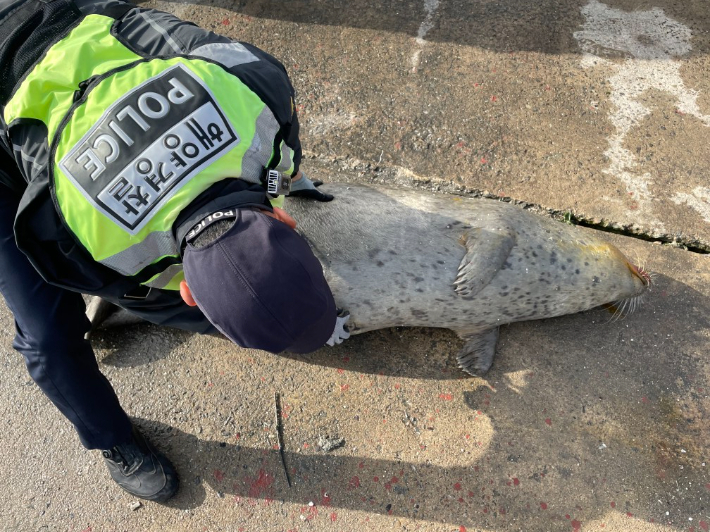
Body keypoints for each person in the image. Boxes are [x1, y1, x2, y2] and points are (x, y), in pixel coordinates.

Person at [0, 0, 349, 502]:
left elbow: (150, 28)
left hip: (71, 20)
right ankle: (112, 440)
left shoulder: (259, 88)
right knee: (49, 338)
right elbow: (89, 275)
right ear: (185, 293)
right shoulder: (71, 237)